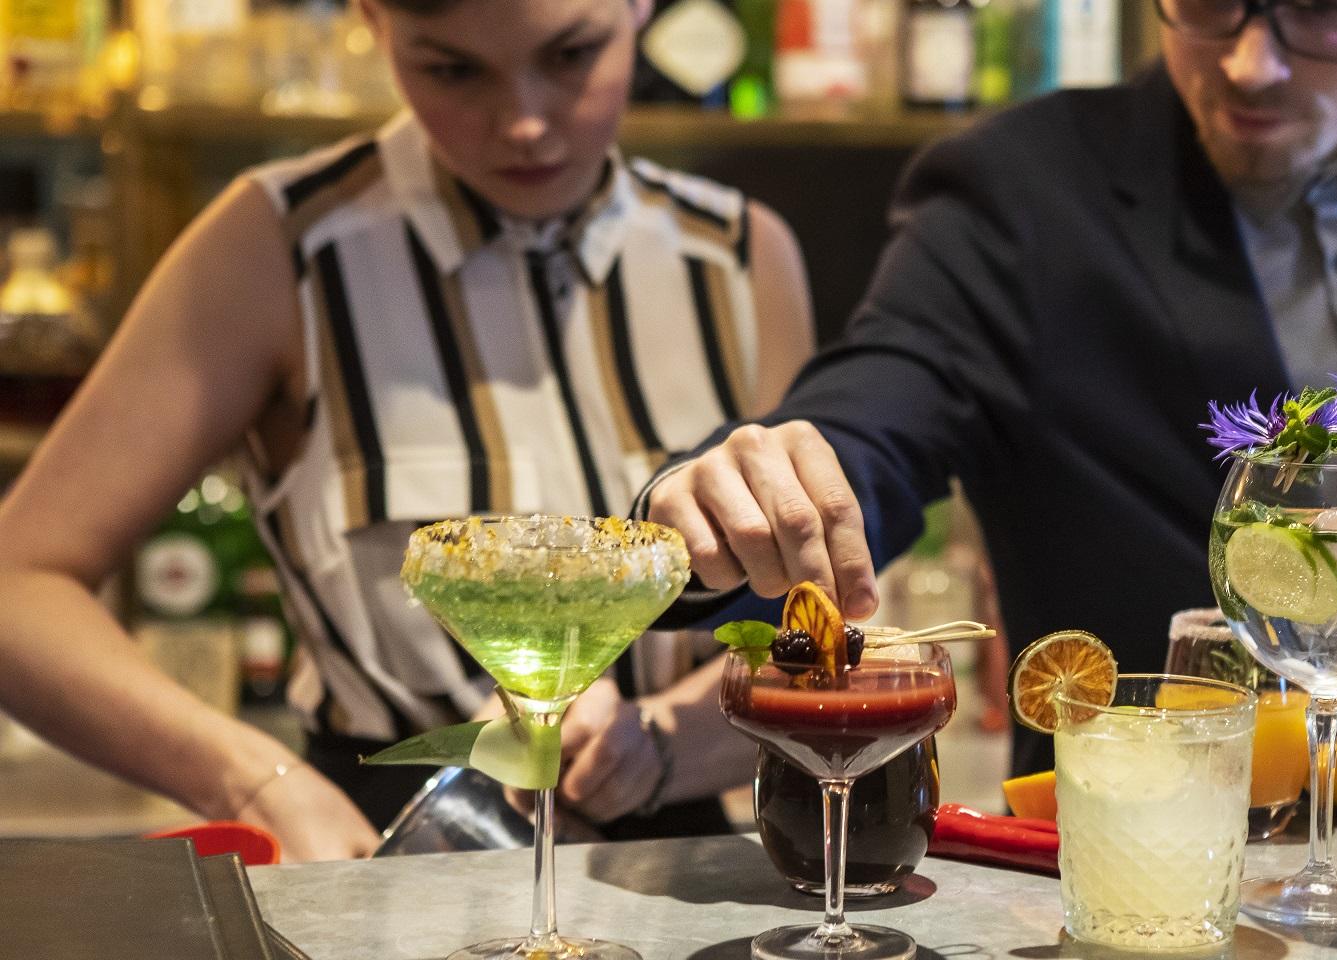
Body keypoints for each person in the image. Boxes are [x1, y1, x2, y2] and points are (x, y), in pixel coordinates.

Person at [643, 0, 1337, 779]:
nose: (1251, 63)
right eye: (1208, 3)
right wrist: (742, 499)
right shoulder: (1019, 190)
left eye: (1319, 12)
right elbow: (876, 417)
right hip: (1143, 862)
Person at [0, 0, 810, 861]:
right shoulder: (282, 245)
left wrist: (663, 742)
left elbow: (816, 621)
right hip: (390, 847)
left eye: (571, 54)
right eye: (453, 70)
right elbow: (19, 586)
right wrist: (252, 781)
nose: (524, 122)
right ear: (372, 21)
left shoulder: (738, 256)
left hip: (675, 861)